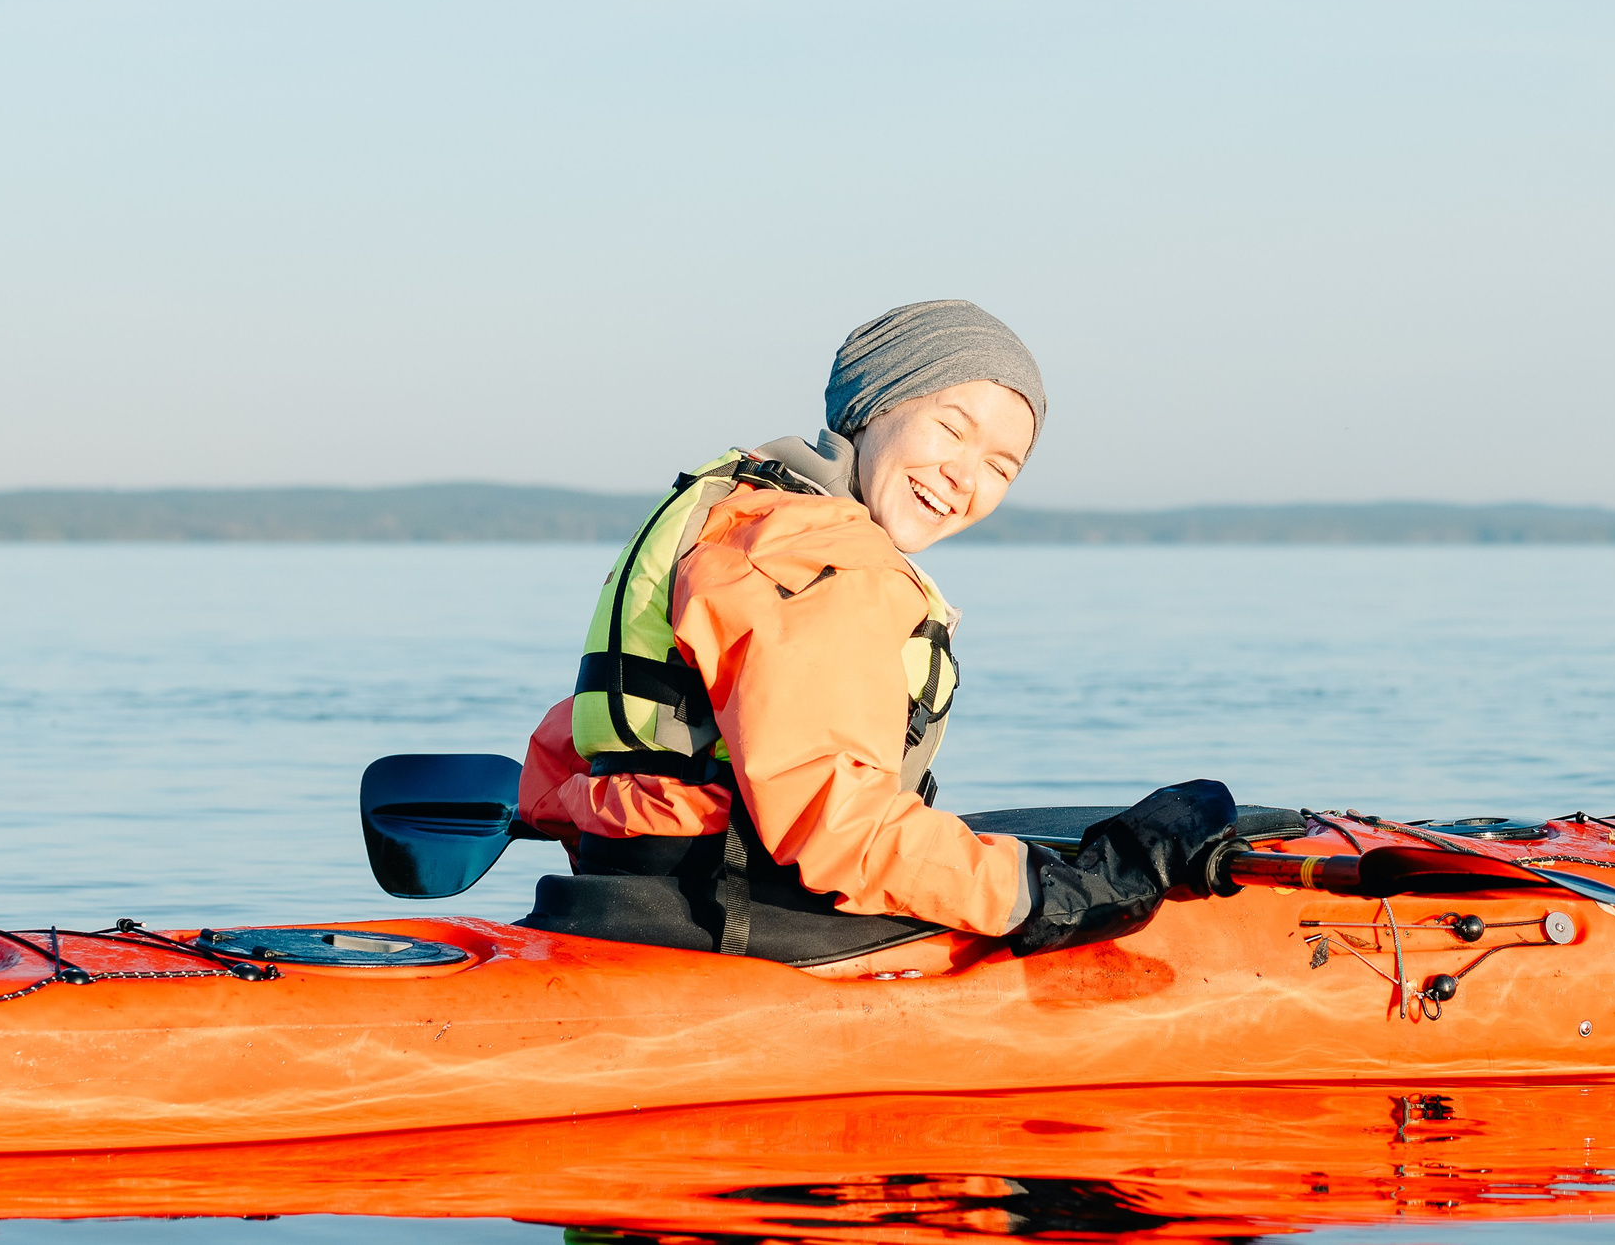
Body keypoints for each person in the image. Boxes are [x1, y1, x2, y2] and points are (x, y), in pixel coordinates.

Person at [513, 298, 1235, 965]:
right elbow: (837, 828)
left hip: (616, 902)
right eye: (951, 428)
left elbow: (572, 745)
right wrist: (1064, 894)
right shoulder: (827, 558)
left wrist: (574, 816)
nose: (964, 474)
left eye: (1000, 466)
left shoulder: (740, 513)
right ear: (874, 404)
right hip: (744, 925)